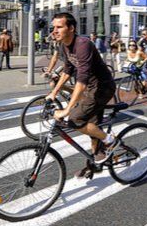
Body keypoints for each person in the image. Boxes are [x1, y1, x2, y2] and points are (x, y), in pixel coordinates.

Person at [46, 13, 116, 178]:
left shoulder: (83, 44)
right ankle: (95, 163)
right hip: (89, 88)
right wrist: (53, 93)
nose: (54, 31)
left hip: (102, 87)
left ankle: (110, 139)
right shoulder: (63, 45)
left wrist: (67, 110)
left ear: (71, 28)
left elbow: (82, 80)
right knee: (92, 124)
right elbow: (68, 71)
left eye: (59, 27)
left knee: (75, 119)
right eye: (53, 27)